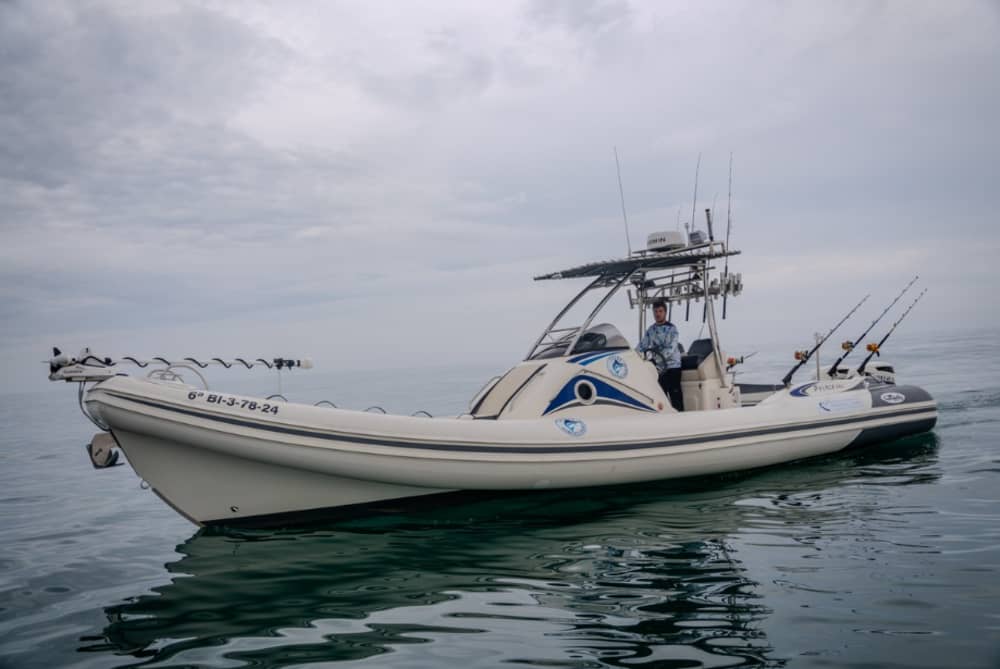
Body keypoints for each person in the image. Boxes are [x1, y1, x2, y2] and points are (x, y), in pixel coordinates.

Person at [637, 300, 684, 412]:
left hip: (673, 367)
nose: (657, 314)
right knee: (660, 396)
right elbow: (642, 346)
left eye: (660, 311)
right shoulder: (651, 330)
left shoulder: (672, 329)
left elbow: (670, 349)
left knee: (675, 396)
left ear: (665, 312)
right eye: (655, 311)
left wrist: (655, 360)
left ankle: (681, 417)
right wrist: (633, 357)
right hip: (659, 369)